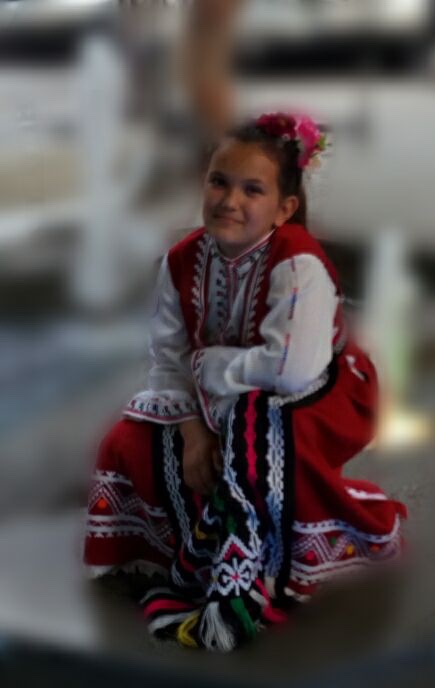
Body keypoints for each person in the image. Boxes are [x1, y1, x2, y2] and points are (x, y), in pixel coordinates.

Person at [83, 112, 407, 651]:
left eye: (252, 190)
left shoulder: (299, 264)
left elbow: (293, 369)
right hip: (216, 397)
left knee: (260, 441)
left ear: (285, 208)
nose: (230, 200)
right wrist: (193, 433)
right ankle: (178, 553)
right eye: (219, 181)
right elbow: (167, 358)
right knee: (128, 440)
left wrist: (211, 368)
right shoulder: (181, 261)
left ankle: (266, 570)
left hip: (315, 394)